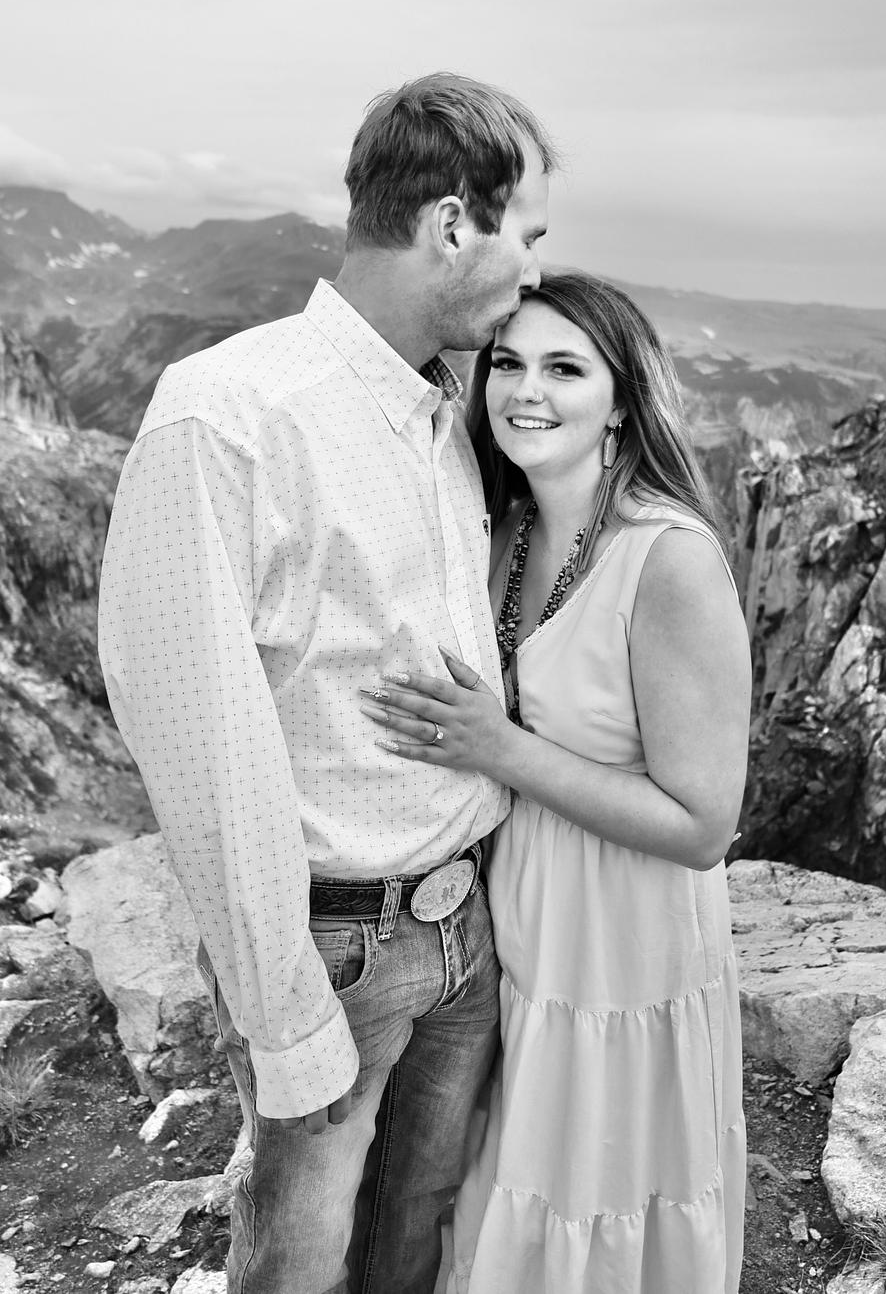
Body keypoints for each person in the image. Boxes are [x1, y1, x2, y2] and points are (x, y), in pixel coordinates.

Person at [97, 72, 558, 1294]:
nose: (532, 270)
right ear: (452, 224)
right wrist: (284, 1012)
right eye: (526, 235)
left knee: (414, 1232)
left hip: (464, 921)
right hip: (334, 943)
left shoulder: (442, 408)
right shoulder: (230, 413)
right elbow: (198, 739)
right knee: (302, 1253)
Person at [359, 271, 751, 1293]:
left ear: (621, 402)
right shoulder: (502, 532)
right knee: (509, 1174)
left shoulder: (668, 561)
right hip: (512, 920)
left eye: (565, 369)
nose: (526, 391)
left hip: (623, 939)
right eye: (508, 363)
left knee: (596, 1184)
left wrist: (498, 749)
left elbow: (704, 823)